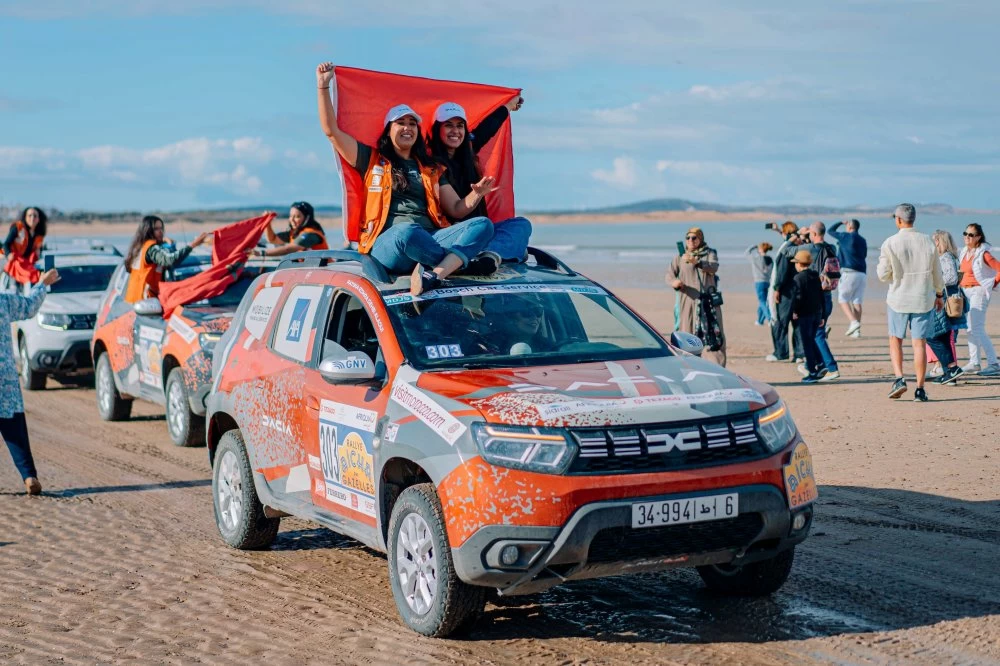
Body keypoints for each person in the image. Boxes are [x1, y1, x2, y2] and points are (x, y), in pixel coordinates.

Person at [316, 62, 494, 296]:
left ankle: (434, 274)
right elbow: (332, 132)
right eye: (401, 123)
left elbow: (457, 210)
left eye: (413, 123)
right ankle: (458, 264)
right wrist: (323, 87)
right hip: (388, 244)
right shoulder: (370, 159)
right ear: (388, 130)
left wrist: (476, 194)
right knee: (406, 232)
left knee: (483, 225)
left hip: (430, 239)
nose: (408, 127)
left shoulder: (431, 168)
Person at [428, 101, 532, 275]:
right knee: (509, 242)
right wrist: (476, 195)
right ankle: (506, 252)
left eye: (460, 126)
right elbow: (456, 211)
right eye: (448, 125)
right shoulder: (431, 165)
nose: (455, 131)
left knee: (521, 225)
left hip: (484, 233)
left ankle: (489, 258)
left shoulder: (467, 150)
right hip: (458, 236)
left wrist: (507, 106)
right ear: (438, 129)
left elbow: (487, 128)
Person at [877, 203, 944, 401]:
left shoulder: (890, 242)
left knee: (895, 339)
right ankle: (920, 389)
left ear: (898, 220)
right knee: (919, 344)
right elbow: (937, 273)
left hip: (898, 297)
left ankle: (899, 378)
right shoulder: (928, 241)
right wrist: (939, 294)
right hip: (923, 297)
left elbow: (882, 275)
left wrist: (893, 275)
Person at [1, 268, 60, 494]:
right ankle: (29, 477)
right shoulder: (3, 301)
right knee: (14, 428)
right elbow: (29, 306)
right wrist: (42, 283)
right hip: (4, 376)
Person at [668, 227, 726, 366]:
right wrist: (674, 282)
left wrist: (697, 262)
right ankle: (688, 366)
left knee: (714, 336)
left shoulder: (710, 253)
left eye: (694, 238)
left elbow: (713, 267)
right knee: (687, 334)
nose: (691, 241)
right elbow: (669, 274)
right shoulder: (679, 257)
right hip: (687, 300)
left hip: (708, 303)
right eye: (688, 238)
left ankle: (717, 369)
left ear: (701, 238)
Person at [123, 215, 209, 304]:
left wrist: (165, 244)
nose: (160, 231)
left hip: (134, 301)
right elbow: (169, 259)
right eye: (156, 229)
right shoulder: (151, 248)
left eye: (161, 228)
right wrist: (193, 245)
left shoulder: (139, 247)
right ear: (147, 230)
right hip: (147, 303)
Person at [799, 222, 840, 380]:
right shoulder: (831, 248)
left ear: (814, 234)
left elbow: (792, 252)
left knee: (817, 334)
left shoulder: (812, 250)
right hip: (828, 296)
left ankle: (831, 367)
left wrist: (799, 236)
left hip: (818, 298)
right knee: (817, 332)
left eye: (810, 233)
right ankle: (820, 365)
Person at [958, 223, 1000, 376]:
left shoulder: (984, 254)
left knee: (977, 328)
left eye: (971, 235)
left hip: (978, 293)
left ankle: (994, 364)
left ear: (978, 237)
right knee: (969, 328)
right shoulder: (964, 252)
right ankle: (974, 362)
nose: (967, 237)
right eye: (965, 233)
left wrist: (991, 284)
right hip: (965, 293)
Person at [926, 230, 966, 384]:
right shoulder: (948, 257)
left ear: (939, 241)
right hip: (948, 299)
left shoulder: (946, 257)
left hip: (946, 300)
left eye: (934, 240)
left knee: (941, 336)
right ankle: (948, 371)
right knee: (943, 335)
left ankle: (951, 372)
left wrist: (935, 282)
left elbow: (951, 278)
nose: (932, 243)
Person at [767, 223, 806, 363]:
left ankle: (781, 352)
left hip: (787, 291)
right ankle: (799, 354)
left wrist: (777, 288)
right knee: (797, 322)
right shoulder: (801, 247)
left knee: (780, 322)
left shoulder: (787, 249)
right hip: (799, 289)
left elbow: (782, 270)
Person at [789, 250, 825, 383]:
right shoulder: (815, 275)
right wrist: (823, 315)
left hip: (805, 314)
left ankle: (812, 372)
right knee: (812, 339)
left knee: (807, 343)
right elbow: (821, 296)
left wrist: (794, 311)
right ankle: (821, 363)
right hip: (817, 313)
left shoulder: (798, 278)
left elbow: (798, 297)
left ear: (799, 264)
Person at [829, 218, 867, 337]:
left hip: (848, 272)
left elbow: (830, 231)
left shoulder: (845, 236)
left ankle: (854, 322)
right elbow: (864, 255)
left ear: (850, 226)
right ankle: (856, 331)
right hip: (862, 273)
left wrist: (840, 222)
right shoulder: (862, 240)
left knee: (843, 299)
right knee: (857, 301)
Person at [254, 202, 329, 257]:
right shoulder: (293, 233)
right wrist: (267, 224)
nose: (292, 220)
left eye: (297, 216)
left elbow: (288, 249)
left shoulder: (310, 234)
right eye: (290, 216)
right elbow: (272, 239)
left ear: (307, 218)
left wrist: (261, 253)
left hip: (324, 271)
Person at [2, 207, 47, 289]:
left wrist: (38, 252)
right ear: (25, 217)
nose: (32, 218)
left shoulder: (39, 235)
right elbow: (6, 244)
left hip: (26, 262)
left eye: (35, 216)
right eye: (29, 215)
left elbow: (37, 251)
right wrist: (8, 254)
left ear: (39, 219)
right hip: (12, 261)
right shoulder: (18, 227)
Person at [746, 242, 773, 325]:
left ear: (760, 249)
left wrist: (753, 246)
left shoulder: (756, 258)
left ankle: (770, 318)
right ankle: (760, 321)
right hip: (768, 282)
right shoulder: (770, 259)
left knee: (762, 301)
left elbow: (747, 253)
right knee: (764, 302)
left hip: (759, 282)